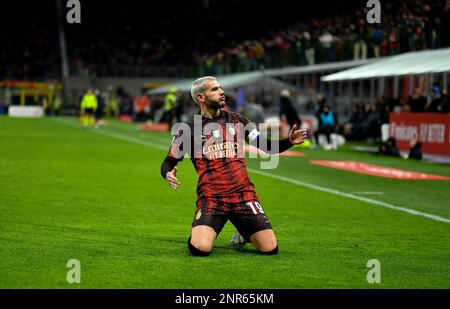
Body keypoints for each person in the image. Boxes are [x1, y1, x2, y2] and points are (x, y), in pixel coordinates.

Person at [160, 76, 307, 256]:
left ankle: (242, 232)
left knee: (270, 248)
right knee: (200, 248)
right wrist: (168, 174)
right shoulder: (188, 129)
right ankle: (200, 232)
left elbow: (265, 145)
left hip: (243, 195)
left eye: (220, 88)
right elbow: (168, 162)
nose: (221, 92)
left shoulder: (239, 120)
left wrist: (289, 141)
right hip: (212, 197)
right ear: (201, 97)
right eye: (214, 89)